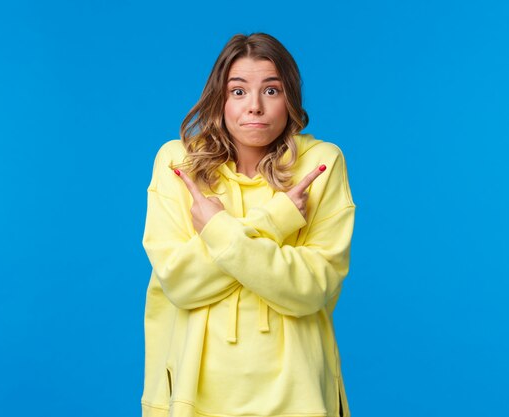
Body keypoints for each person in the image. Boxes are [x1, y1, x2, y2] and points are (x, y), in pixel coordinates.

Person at [141, 33, 356, 417]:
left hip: (299, 396)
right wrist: (276, 220)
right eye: (238, 92)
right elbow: (179, 282)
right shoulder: (178, 163)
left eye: (271, 91)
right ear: (219, 99)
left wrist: (217, 230)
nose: (254, 107)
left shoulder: (321, 163)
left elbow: (310, 288)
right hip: (194, 396)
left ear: (289, 97)